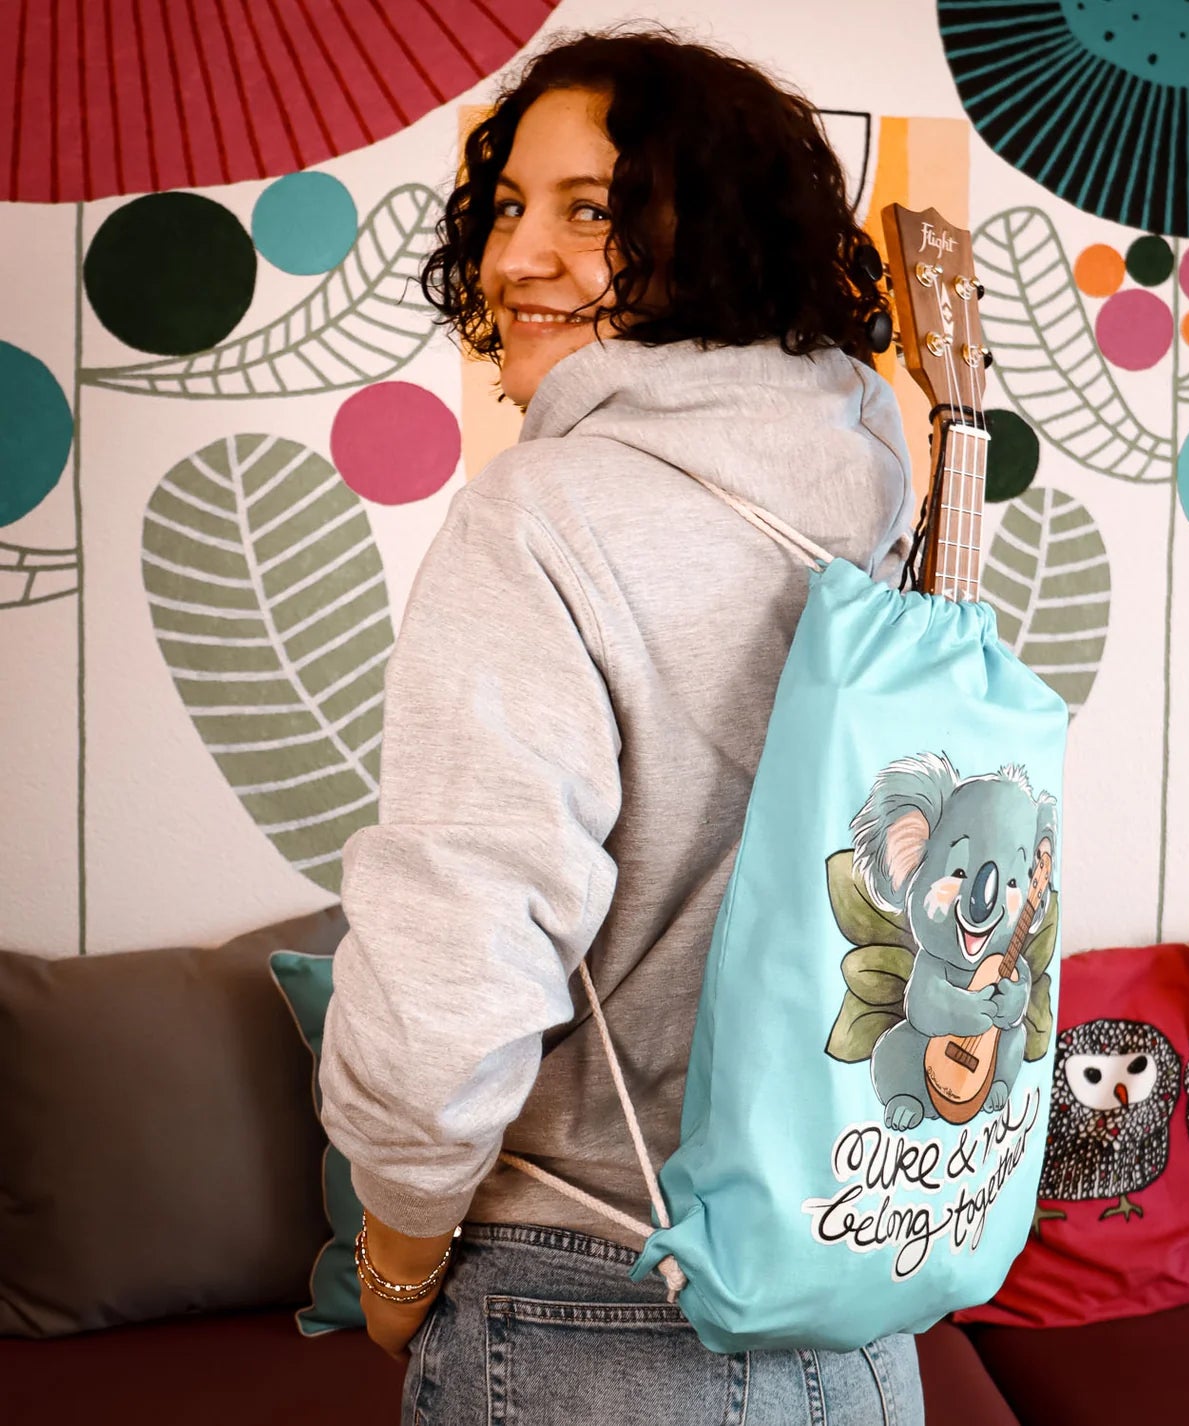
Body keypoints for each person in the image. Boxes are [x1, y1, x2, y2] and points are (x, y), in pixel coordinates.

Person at [319, 26, 923, 1424]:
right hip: (860, 1284)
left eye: (590, 211)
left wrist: (397, 1256)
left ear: (713, 238)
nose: (516, 258)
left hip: (596, 1288)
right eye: (507, 206)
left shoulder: (542, 515)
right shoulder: (878, 498)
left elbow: (453, 975)